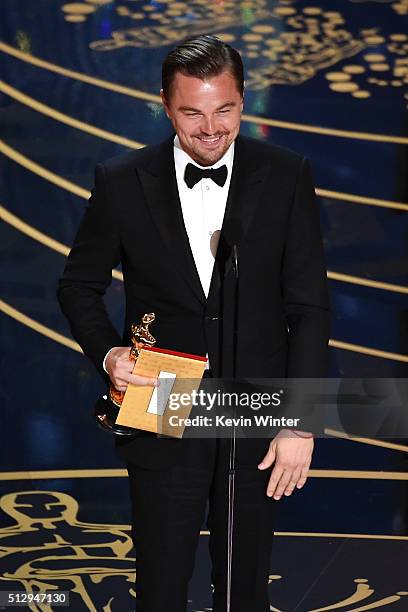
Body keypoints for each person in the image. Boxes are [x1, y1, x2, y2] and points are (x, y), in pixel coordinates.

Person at [57, 35, 330, 612]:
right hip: (161, 399)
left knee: (244, 585)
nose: (210, 127)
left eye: (224, 110)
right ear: (164, 104)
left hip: (258, 408)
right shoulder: (122, 179)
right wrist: (108, 354)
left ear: (242, 100)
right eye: (192, 112)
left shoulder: (286, 175)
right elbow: (77, 286)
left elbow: (308, 307)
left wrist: (300, 423)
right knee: (160, 580)